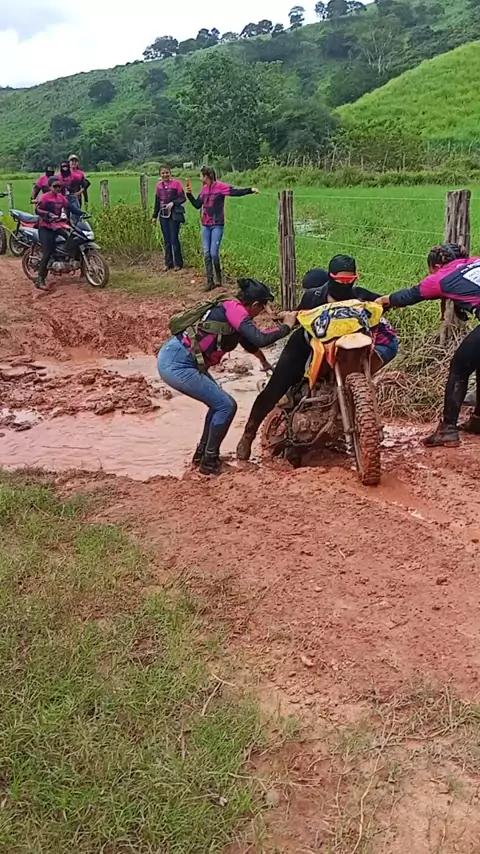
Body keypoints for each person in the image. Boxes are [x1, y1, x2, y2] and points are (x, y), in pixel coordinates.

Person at [236, 255, 399, 461]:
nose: (345, 284)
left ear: (355, 278)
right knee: (276, 386)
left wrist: (392, 300)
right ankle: (248, 434)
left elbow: (382, 304)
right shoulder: (314, 296)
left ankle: (358, 424)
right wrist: (290, 317)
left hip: (347, 348)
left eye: (349, 280)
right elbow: (299, 316)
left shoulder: (361, 296)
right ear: (330, 277)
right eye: (340, 280)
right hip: (308, 344)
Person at [158, 278, 297, 475]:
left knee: (218, 404)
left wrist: (263, 361)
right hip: (178, 363)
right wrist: (287, 326)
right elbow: (260, 338)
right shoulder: (235, 310)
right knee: (226, 405)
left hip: (180, 358)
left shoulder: (231, 310)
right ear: (255, 305)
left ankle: (202, 456)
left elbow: (248, 342)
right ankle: (210, 463)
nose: (260, 313)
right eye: (261, 308)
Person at [375, 243, 480, 447]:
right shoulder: (475, 261)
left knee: (459, 367)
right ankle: (478, 420)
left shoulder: (440, 278)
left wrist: (383, 301)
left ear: (436, 266)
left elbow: (409, 295)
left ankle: (448, 430)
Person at [186, 167, 259, 291]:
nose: (200, 178)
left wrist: (250, 190)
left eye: (201, 175)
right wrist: (189, 195)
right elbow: (198, 205)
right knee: (206, 253)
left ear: (206, 176)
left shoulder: (220, 187)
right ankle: (210, 281)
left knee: (214, 253)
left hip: (217, 224)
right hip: (205, 225)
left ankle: (219, 278)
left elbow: (235, 192)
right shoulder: (204, 189)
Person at [34, 176, 78, 289]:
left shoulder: (61, 197)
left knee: (71, 238)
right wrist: (48, 214)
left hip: (56, 226)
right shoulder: (45, 197)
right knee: (47, 252)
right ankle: (40, 279)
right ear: (50, 187)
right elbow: (37, 210)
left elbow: (70, 207)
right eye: (55, 186)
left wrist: (81, 212)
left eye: (59, 186)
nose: (58, 188)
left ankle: (68, 261)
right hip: (45, 227)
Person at [152, 165, 186, 271]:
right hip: (163, 215)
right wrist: (154, 216)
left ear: (170, 173)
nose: (165, 175)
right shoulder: (159, 186)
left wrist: (173, 203)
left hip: (174, 214)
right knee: (166, 239)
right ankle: (168, 263)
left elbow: (183, 198)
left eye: (167, 172)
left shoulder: (176, 184)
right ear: (160, 175)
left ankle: (178, 263)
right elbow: (157, 202)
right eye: (163, 173)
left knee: (174, 238)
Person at [67, 155, 90, 222]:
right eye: (72, 161)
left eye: (75, 161)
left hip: (76, 197)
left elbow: (86, 184)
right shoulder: (65, 172)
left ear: (77, 163)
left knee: (76, 216)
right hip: (66, 197)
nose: (73, 163)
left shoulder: (80, 173)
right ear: (69, 162)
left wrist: (79, 193)